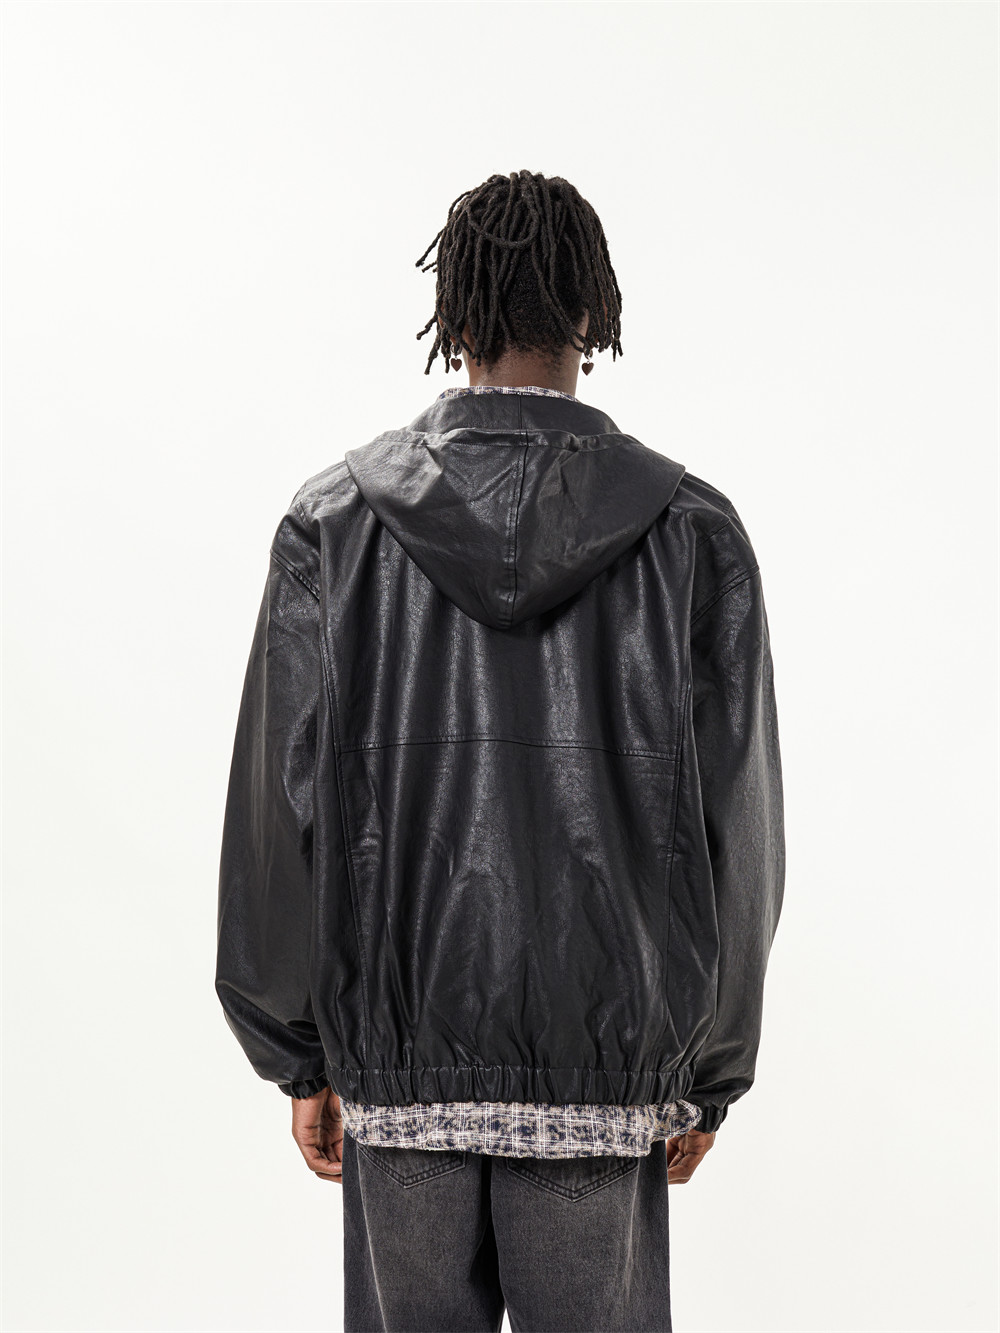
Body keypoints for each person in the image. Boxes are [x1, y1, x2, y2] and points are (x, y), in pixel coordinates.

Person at [216, 168, 785, 1333]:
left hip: (399, 1065)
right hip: (604, 1069)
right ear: (590, 315)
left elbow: (276, 820)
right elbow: (741, 828)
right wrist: (704, 1070)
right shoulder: (691, 533)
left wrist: (300, 1054)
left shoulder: (334, 524)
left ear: (456, 318)